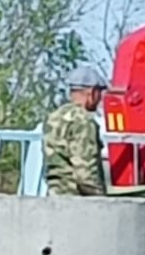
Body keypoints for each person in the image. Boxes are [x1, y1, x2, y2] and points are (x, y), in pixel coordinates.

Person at [43, 64, 108, 196]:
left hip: (54, 195)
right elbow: (85, 174)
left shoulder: (54, 117)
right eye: (99, 92)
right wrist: (102, 200)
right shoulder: (83, 121)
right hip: (76, 200)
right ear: (91, 92)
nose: (100, 98)